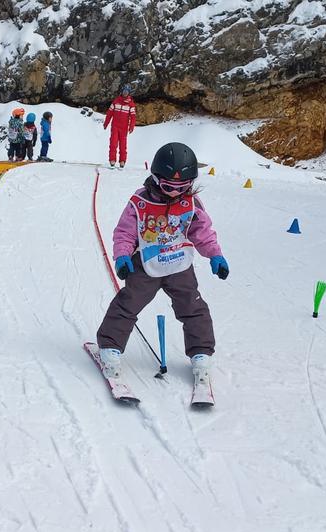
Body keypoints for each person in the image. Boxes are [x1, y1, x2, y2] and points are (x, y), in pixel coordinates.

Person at [94, 142, 229, 384]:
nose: (176, 193)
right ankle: (110, 347)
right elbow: (124, 233)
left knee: (193, 307)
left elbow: (202, 232)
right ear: (156, 178)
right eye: (169, 187)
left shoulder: (191, 203)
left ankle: (201, 352)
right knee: (127, 304)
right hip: (146, 264)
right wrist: (123, 256)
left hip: (179, 264)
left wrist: (215, 255)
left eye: (183, 187)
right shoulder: (140, 202)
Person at [102, 85, 137, 169]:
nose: (125, 93)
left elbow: (133, 117)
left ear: (129, 93)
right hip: (115, 126)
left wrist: (131, 126)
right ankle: (112, 160)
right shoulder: (116, 101)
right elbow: (109, 113)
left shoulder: (131, 104)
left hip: (124, 128)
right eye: (124, 91)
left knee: (123, 145)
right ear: (122, 91)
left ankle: (122, 161)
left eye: (127, 91)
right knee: (113, 143)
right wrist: (106, 123)